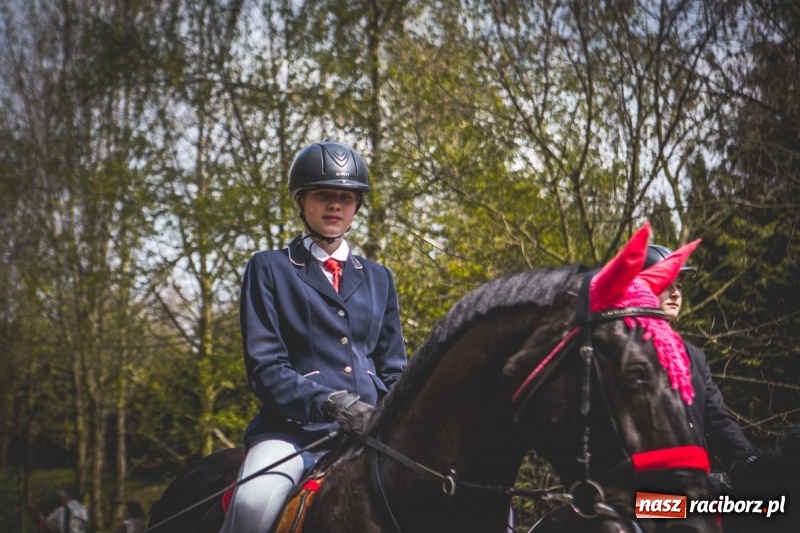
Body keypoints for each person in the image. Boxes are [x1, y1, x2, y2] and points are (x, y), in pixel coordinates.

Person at [219, 139, 408, 533]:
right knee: (253, 504)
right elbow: (266, 368)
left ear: (356, 205)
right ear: (302, 201)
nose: (335, 205)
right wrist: (330, 403)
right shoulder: (269, 268)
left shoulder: (378, 278)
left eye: (345, 196)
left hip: (372, 431)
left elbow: (393, 368)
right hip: (293, 433)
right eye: (324, 195)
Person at [643, 244, 758, 471]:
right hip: (643, 494)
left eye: (679, 285)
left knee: (760, 506)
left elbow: (717, 419)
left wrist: (751, 461)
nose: (676, 293)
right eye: (667, 285)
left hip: (695, 483)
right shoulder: (622, 354)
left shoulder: (694, 357)